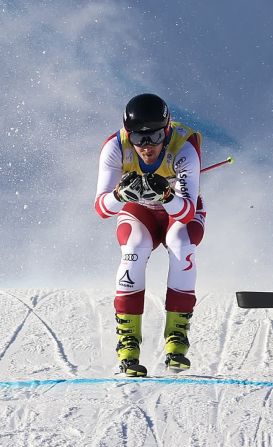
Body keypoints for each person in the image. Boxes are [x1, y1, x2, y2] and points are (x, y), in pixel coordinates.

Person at [94, 93, 206, 376]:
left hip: (178, 211)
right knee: (134, 248)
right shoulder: (115, 147)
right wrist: (119, 195)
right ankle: (128, 345)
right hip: (139, 210)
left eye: (155, 136)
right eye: (138, 138)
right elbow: (101, 208)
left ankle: (176, 339)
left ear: (167, 130)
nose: (147, 146)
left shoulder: (184, 147)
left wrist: (167, 196)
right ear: (127, 134)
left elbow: (187, 212)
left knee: (180, 245)